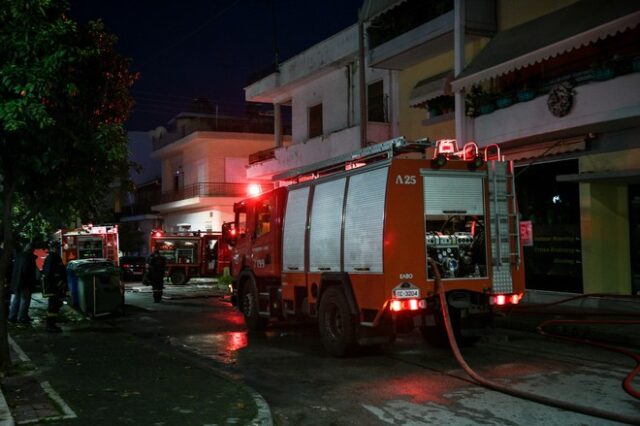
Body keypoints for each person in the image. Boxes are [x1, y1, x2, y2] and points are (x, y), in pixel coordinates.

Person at [8, 241, 38, 325]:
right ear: (32, 249)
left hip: (17, 282)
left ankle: (12, 317)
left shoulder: (19, 256)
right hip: (25, 283)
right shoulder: (29, 258)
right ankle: (22, 318)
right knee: (25, 300)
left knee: (16, 299)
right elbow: (27, 272)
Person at [42, 241, 67, 332]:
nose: (58, 248)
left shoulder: (55, 257)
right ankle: (50, 326)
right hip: (54, 287)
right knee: (53, 306)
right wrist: (58, 281)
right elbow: (49, 274)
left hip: (57, 286)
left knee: (56, 305)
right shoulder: (52, 257)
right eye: (57, 247)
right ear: (53, 247)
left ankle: (52, 324)